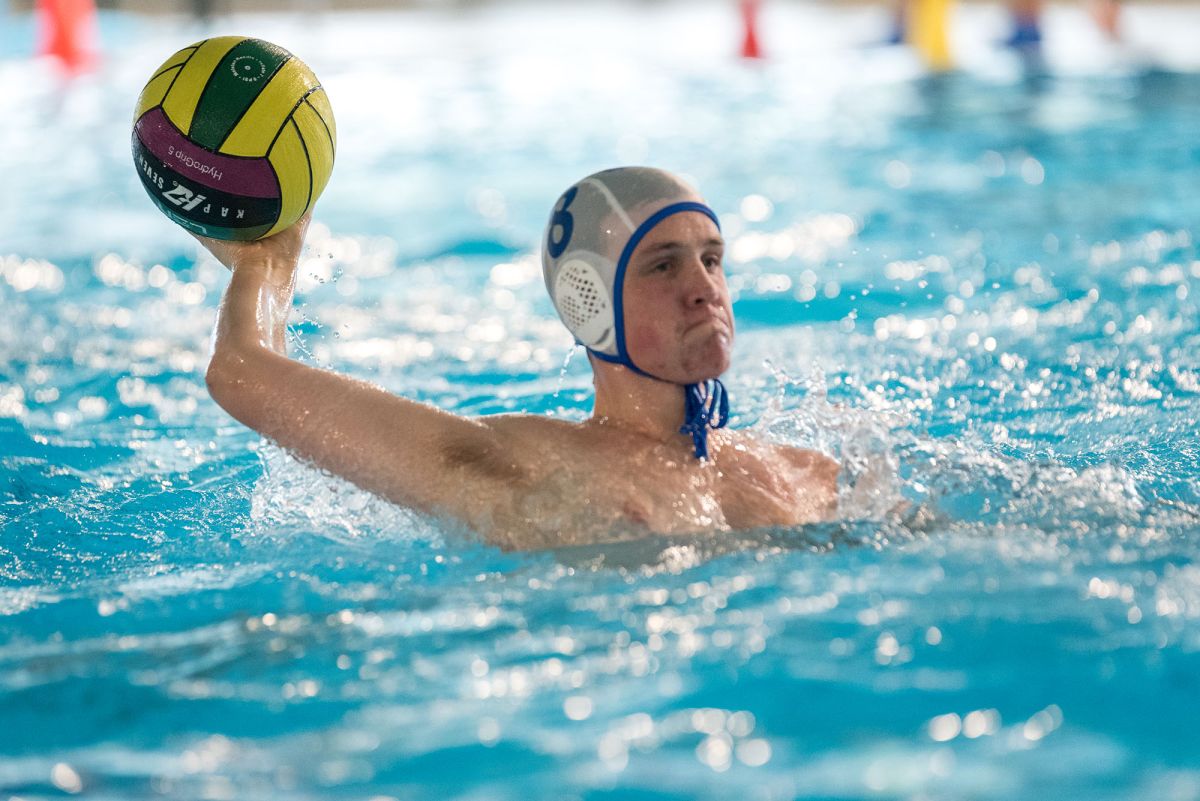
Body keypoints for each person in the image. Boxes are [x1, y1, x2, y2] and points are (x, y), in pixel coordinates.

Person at [197, 166, 840, 551]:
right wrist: (266, 263)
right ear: (590, 298)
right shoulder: (515, 465)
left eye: (712, 258)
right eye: (663, 264)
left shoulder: (802, 471)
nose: (705, 286)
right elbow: (241, 373)